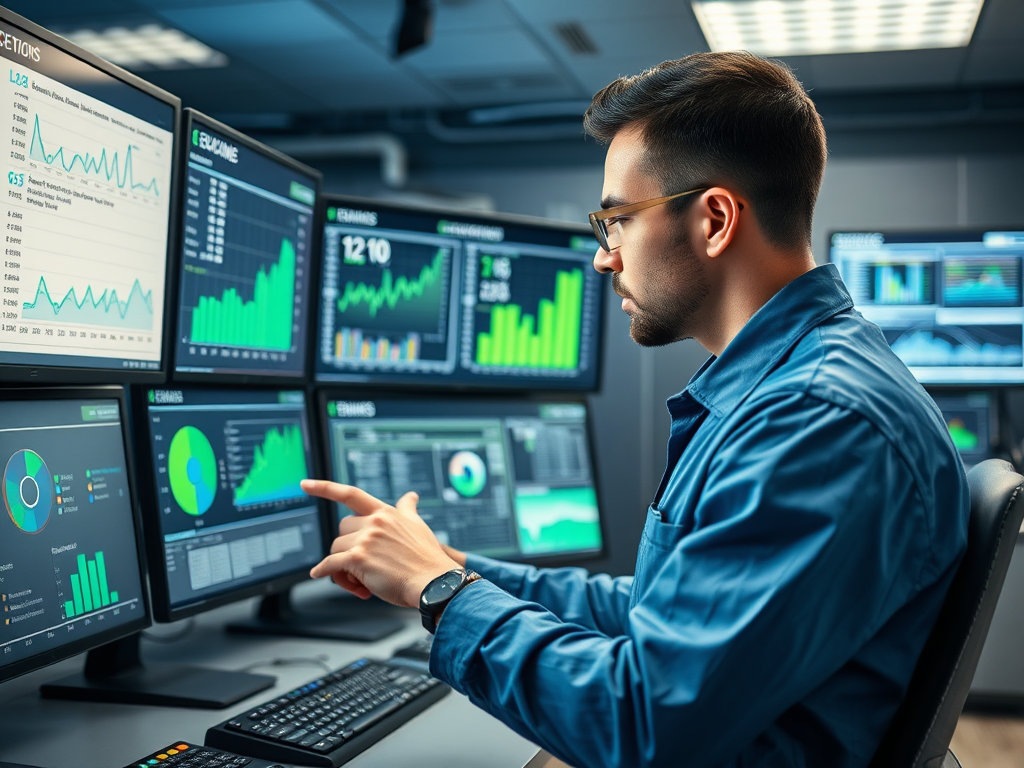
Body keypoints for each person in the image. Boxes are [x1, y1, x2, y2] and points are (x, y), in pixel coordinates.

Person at [301, 51, 969, 768]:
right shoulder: (783, 389)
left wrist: (442, 592)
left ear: (714, 220)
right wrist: (452, 563)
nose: (604, 258)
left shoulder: (818, 421)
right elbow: (659, 617)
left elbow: (644, 723)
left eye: (617, 219)